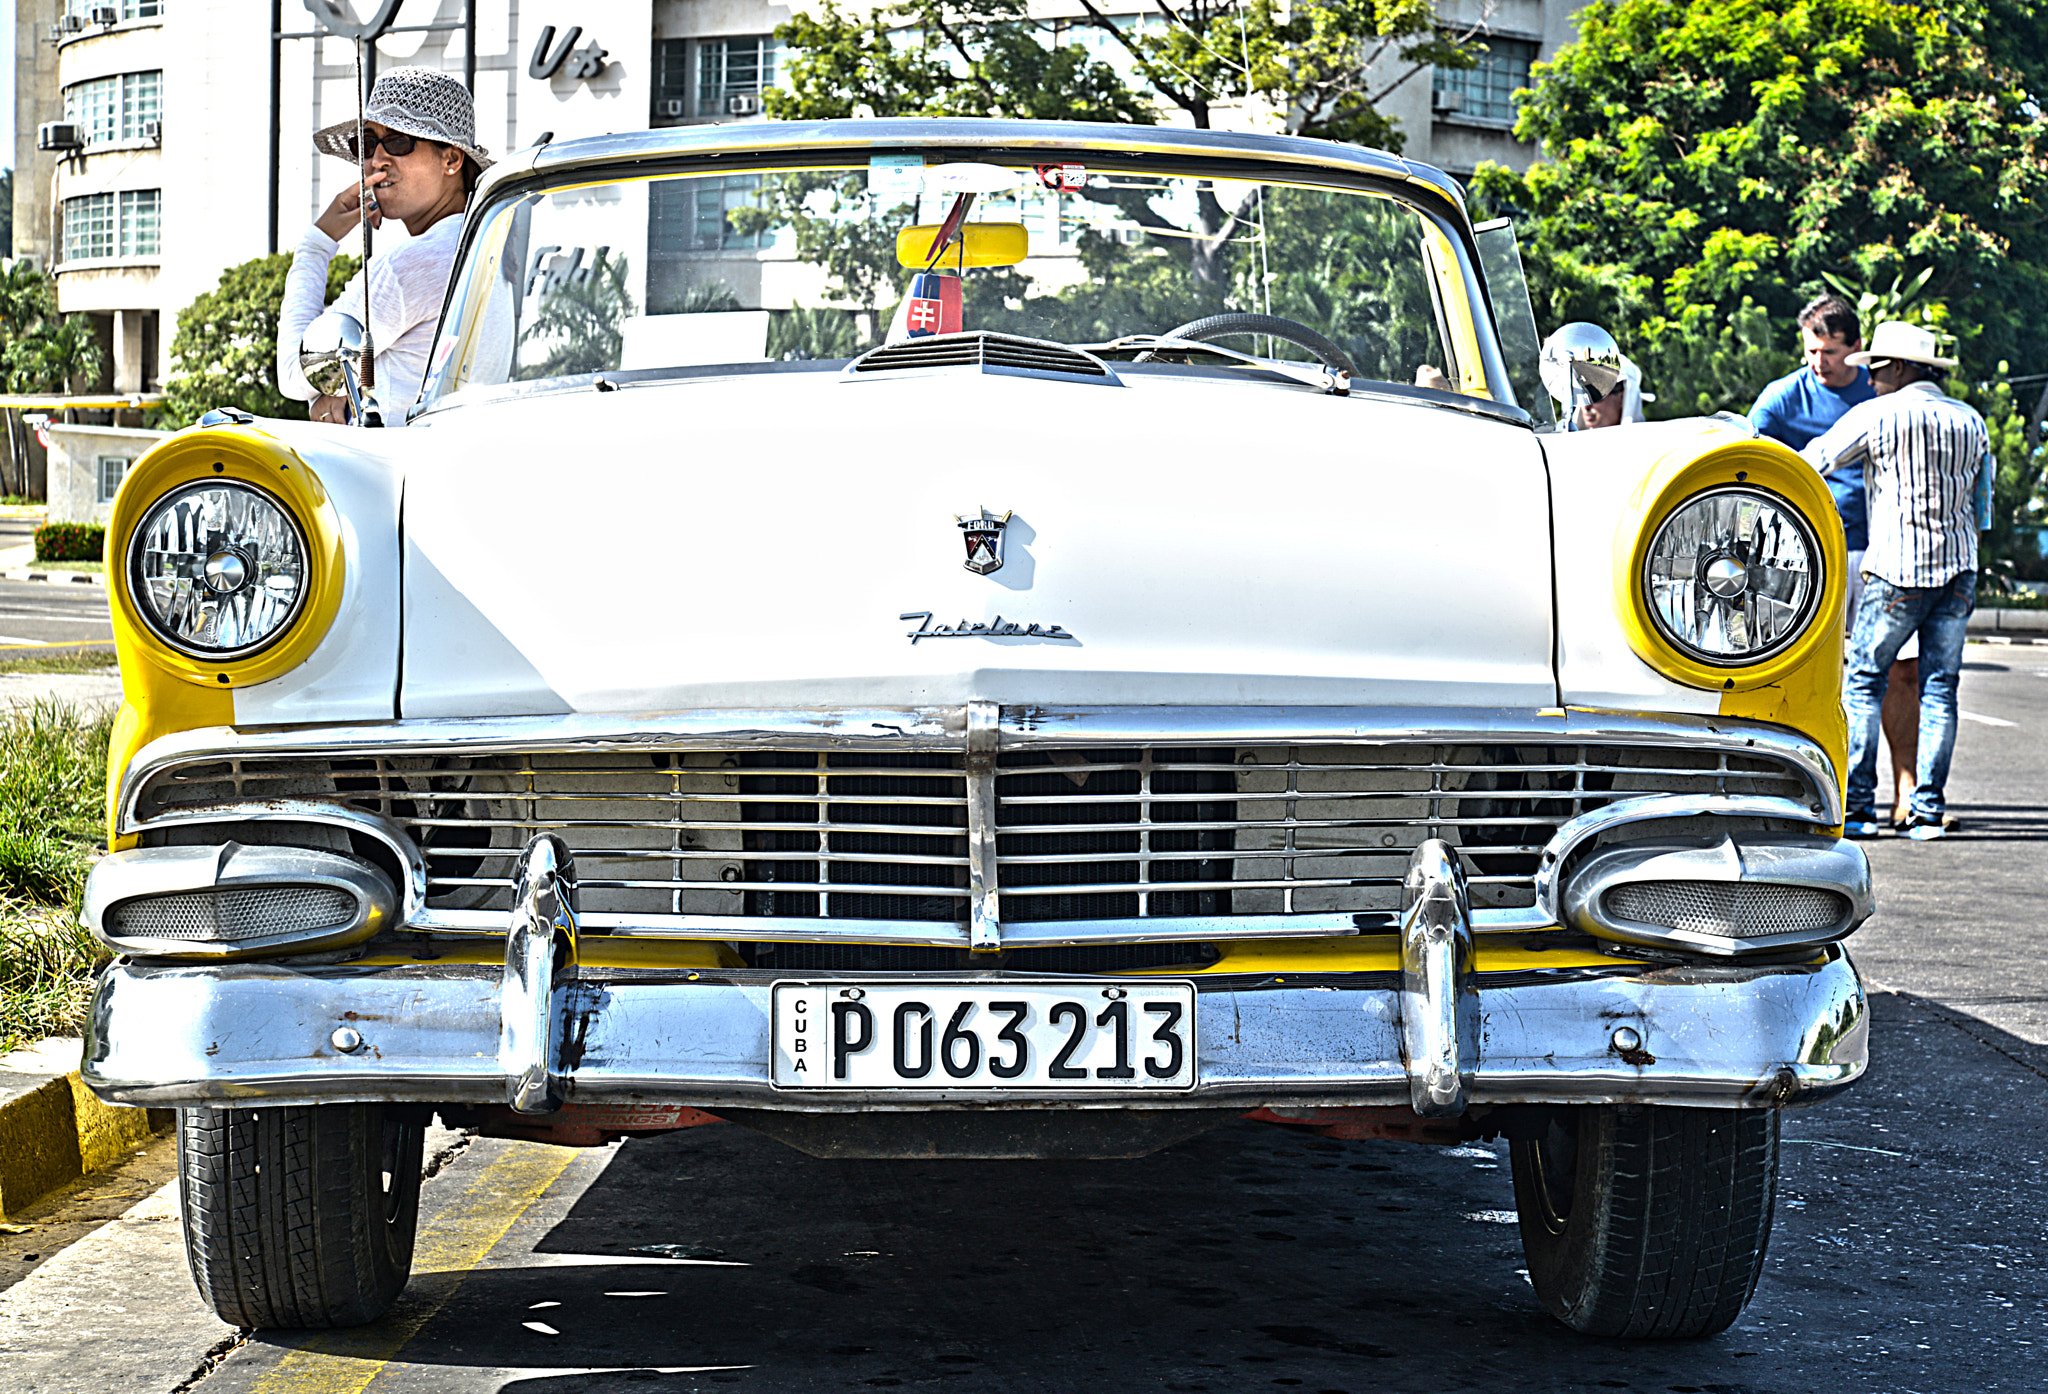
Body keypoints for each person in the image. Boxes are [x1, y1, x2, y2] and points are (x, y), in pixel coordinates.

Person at [1803, 321, 1988, 841]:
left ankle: (1859, 807)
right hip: (1959, 570)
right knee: (1940, 689)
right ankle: (1926, 811)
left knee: (1864, 682)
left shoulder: (1878, 414)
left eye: (1877, 369)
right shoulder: (1971, 421)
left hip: (1895, 569)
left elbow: (1813, 462)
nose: (1871, 379)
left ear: (1900, 369)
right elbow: (1983, 505)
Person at [1750, 296, 1923, 822]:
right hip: (1800, 554)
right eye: (1810, 350)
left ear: (1855, 350)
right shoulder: (1782, 398)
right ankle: (1785, 787)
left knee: (1899, 671)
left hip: (1880, 551)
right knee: (1785, 671)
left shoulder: (1880, 393)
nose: (1817, 362)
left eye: (1829, 351)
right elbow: (1747, 454)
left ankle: (1907, 792)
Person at [276, 66, 492, 424]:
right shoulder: (487, 246)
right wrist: (345, 394)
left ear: (451, 160)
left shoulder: (407, 267)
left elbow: (292, 373)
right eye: (368, 143)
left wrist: (317, 243)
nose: (377, 160)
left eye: (398, 141)